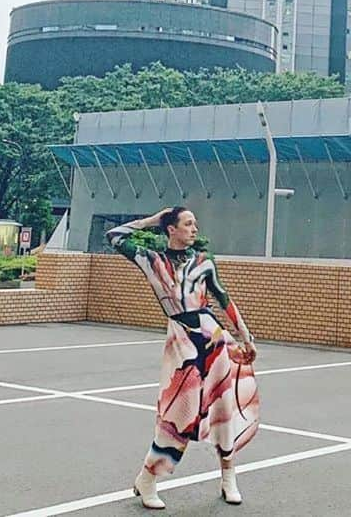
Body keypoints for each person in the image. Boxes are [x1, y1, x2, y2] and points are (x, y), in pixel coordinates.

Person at [107, 207, 259, 510]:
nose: (194, 229)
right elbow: (114, 236)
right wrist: (152, 220)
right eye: (187, 224)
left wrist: (245, 335)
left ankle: (229, 476)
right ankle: (147, 478)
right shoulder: (151, 260)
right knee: (179, 414)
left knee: (224, 408)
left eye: (195, 224)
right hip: (181, 342)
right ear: (171, 229)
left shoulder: (204, 261)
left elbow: (223, 297)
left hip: (213, 338)